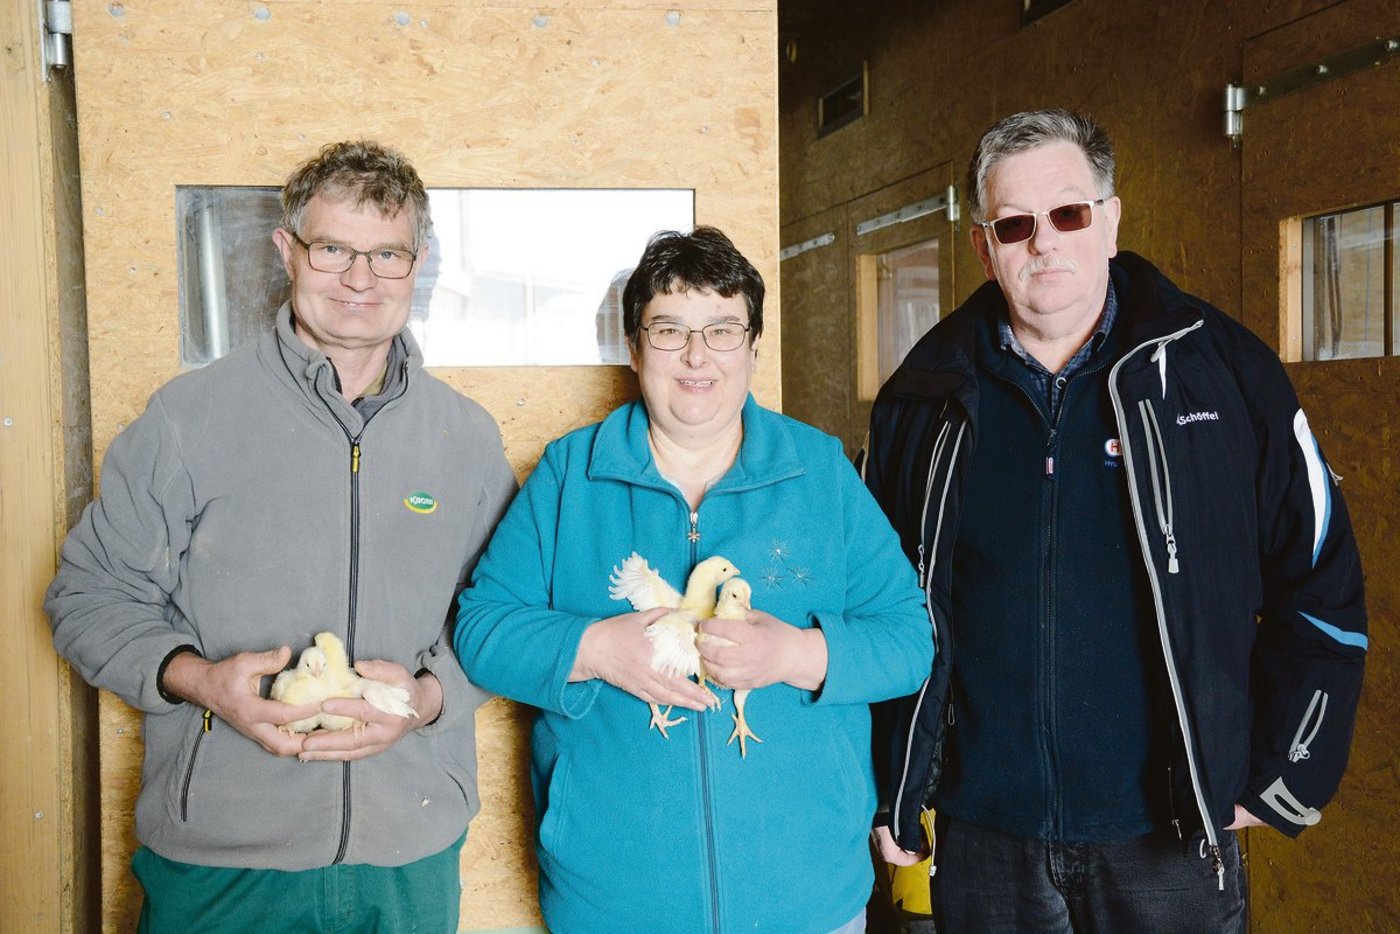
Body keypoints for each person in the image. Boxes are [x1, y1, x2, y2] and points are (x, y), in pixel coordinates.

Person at [862, 108, 1369, 932]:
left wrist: (1279, 775)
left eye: (1068, 214)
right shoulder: (924, 397)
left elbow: (1321, 576)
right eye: (1015, 224)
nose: (1044, 243)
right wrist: (896, 782)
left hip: (1168, 837)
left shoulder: (1226, 374)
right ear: (983, 248)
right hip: (987, 838)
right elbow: (877, 607)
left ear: (1111, 220)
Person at [46, 140, 517, 932]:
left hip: (407, 856)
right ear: (287, 251)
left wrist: (425, 701)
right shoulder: (188, 420)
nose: (359, 279)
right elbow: (88, 596)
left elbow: (505, 616)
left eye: (386, 254)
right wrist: (198, 681)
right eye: (333, 249)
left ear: (418, 264)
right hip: (225, 862)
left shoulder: (465, 438)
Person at [455, 226, 932, 934]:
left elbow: (909, 638)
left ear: (753, 346)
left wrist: (795, 656)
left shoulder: (818, 471)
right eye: (670, 328)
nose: (697, 355)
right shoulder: (569, 476)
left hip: (804, 899)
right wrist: (594, 651)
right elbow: (481, 630)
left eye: (722, 329)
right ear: (634, 345)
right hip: (612, 902)